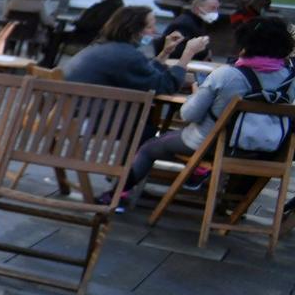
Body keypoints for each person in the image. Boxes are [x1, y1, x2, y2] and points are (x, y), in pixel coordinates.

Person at [117, 15, 294, 212]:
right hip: (259, 149)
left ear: (245, 43)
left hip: (208, 143)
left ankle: (118, 196)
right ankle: (227, 200)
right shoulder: (290, 79)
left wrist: (196, 92)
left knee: (149, 147)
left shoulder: (227, 75)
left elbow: (188, 115)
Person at [61, 5, 191, 94]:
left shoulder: (103, 47)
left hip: (67, 112)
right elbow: (165, 86)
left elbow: (145, 75)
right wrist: (188, 53)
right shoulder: (127, 55)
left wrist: (165, 52)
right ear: (134, 30)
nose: (155, 31)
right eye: (150, 27)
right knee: (149, 126)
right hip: (91, 120)